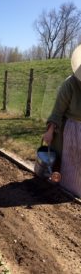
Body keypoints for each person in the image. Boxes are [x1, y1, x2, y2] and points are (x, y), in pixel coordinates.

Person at [43, 44, 81, 198]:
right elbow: (57, 111)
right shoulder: (70, 84)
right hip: (71, 133)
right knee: (69, 167)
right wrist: (50, 132)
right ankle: (65, 194)